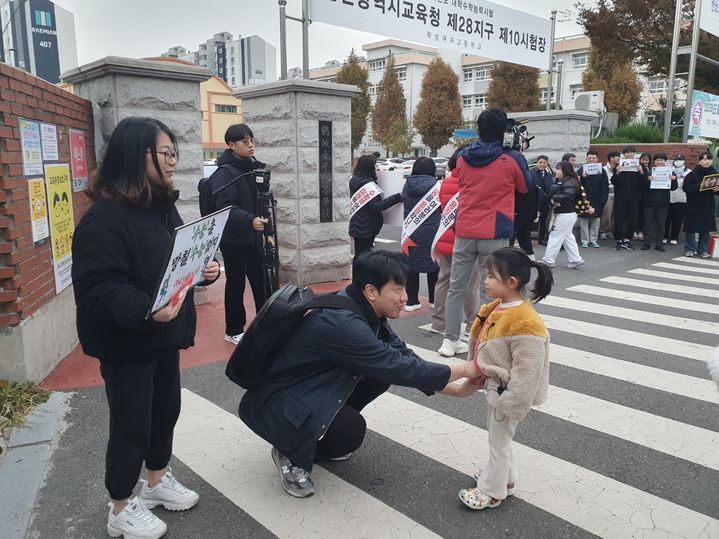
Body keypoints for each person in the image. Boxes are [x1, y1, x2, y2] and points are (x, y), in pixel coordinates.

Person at [72, 117, 221, 539]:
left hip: (162, 336)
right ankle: (120, 505)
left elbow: (174, 263)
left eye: (175, 152)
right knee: (131, 423)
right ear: (138, 156)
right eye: (166, 153)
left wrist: (202, 271)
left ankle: (156, 481)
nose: (174, 161)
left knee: (164, 412)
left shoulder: (161, 207)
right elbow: (99, 287)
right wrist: (145, 309)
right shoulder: (103, 219)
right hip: (127, 341)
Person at [239, 250, 479, 498]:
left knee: (378, 376)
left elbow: (403, 357)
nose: (404, 298)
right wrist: (464, 369)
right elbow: (397, 365)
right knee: (349, 432)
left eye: (405, 289)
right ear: (371, 291)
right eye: (397, 290)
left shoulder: (364, 308)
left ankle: (310, 434)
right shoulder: (344, 324)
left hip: (303, 388)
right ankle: (288, 449)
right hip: (277, 402)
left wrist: (457, 389)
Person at [445, 247, 553, 510]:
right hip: (498, 388)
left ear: (511, 282)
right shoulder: (502, 307)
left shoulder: (526, 322)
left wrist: (512, 402)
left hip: (507, 394)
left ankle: (491, 492)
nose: (486, 281)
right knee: (500, 441)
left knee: (498, 443)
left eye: (491, 276)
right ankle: (507, 481)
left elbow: (528, 370)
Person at [440, 108, 532, 357]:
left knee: (456, 287)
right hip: (495, 229)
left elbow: (462, 183)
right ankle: (483, 339)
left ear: (478, 129)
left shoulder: (462, 158)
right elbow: (525, 188)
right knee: (490, 288)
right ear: (504, 131)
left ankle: (449, 340)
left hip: (465, 228)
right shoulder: (512, 159)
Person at [211, 123, 269, 345]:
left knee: (261, 281)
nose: (251, 145)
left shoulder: (255, 168)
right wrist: (249, 220)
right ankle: (233, 330)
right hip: (233, 240)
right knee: (236, 284)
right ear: (231, 145)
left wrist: (268, 231)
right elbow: (224, 206)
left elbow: (263, 204)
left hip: (255, 237)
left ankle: (266, 324)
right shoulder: (225, 173)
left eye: (252, 140)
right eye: (245, 141)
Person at [431, 145, 482, 336]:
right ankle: (471, 325)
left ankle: (438, 323)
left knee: (444, 279)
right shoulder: (474, 183)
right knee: (471, 284)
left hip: (444, 238)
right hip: (466, 237)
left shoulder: (445, 182)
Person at [402, 157, 440, 310]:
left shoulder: (407, 185)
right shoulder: (436, 186)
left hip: (411, 230)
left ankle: (412, 301)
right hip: (432, 230)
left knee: (411, 265)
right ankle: (433, 300)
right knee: (434, 264)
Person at [349, 155, 402, 256]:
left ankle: (357, 272)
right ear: (370, 168)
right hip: (367, 226)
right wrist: (396, 197)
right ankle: (362, 272)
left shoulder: (354, 181)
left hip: (356, 224)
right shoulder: (369, 185)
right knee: (366, 257)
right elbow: (376, 206)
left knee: (358, 255)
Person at [541, 161, 586, 269]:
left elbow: (569, 196)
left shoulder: (568, 182)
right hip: (568, 213)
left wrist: (554, 199)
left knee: (555, 236)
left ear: (564, 171)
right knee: (567, 237)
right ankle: (576, 259)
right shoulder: (569, 181)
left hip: (565, 214)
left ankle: (549, 260)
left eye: (558, 169)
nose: (556, 171)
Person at [683, 150, 719, 257]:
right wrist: (701, 185)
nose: (706, 161)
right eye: (703, 159)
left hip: (707, 204)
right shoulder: (692, 174)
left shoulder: (715, 174)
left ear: (712, 161)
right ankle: (689, 248)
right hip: (693, 204)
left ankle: (703, 250)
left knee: (705, 228)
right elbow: (686, 188)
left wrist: (716, 190)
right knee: (691, 228)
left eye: (708, 159)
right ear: (699, 161)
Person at [612, 146, 646, 251]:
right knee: (619, 219)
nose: (629, 154)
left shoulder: (640, 166)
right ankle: (618, 240)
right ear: (624, 155)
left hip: (634, 198)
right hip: (620, 197)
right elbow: (614, 181)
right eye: (626, 153)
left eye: (631, 152)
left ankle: (627, 239)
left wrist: (641, 171)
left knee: (633, 219)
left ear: (635, 154)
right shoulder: (619, 165)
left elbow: (645, 182)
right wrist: (617, 172)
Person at [641, 152, 677, 252]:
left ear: (665, 161)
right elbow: (643, 187)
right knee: (647, 224)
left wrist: (673, 180)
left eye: (661, 160)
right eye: (657, 160)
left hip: (663, 203)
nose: (659, 162)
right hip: (649, 202)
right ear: (654, 161)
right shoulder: (649, 172)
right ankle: (646, 243)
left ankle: (659, 244)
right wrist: (647, 180)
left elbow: (674, 188)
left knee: (661, 225)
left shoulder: (671, 172)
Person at [578, 150, 609, 248]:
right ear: (586, 159)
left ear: (597, 159)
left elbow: (605, 186)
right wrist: (582, 177)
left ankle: (593, 240)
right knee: (584, 221)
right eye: (589, 158)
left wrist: (603, 200)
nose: (591, 160)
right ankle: (585, 240)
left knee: (595, 222)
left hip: (597, 200)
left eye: (594, 158)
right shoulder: (581, 170)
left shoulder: (601, 171)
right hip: (584, 200)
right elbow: (577, 184)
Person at [664, 154, 688, 245]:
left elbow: (685, 185)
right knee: (666, 219)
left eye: (681, 160)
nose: (679, 161)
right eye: (677, 160)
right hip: (668, 198)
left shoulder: (688, 172)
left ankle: (674, 237)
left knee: (677, 220)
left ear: (684, 161)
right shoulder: (669, 170)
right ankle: (665, 236)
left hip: (680, 199)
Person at [531, 155, 554, 246]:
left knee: (544, 221)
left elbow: (550, 187)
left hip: (545, 201)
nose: (542, 164)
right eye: (540, 162)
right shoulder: (531, 173)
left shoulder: (549, 174)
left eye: (544, 163)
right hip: (533, 201)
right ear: (537, 163)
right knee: (531, 219)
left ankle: (541, 238)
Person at [599, 151, 620, 240]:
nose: (619, 158)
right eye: (617, 157)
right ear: (611, 158)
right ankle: (603, 231)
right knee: (606, 213)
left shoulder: (620, 168)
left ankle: (610, 231)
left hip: (618, 194)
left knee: (614, 214)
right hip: (608, 193)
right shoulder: (604, 169)